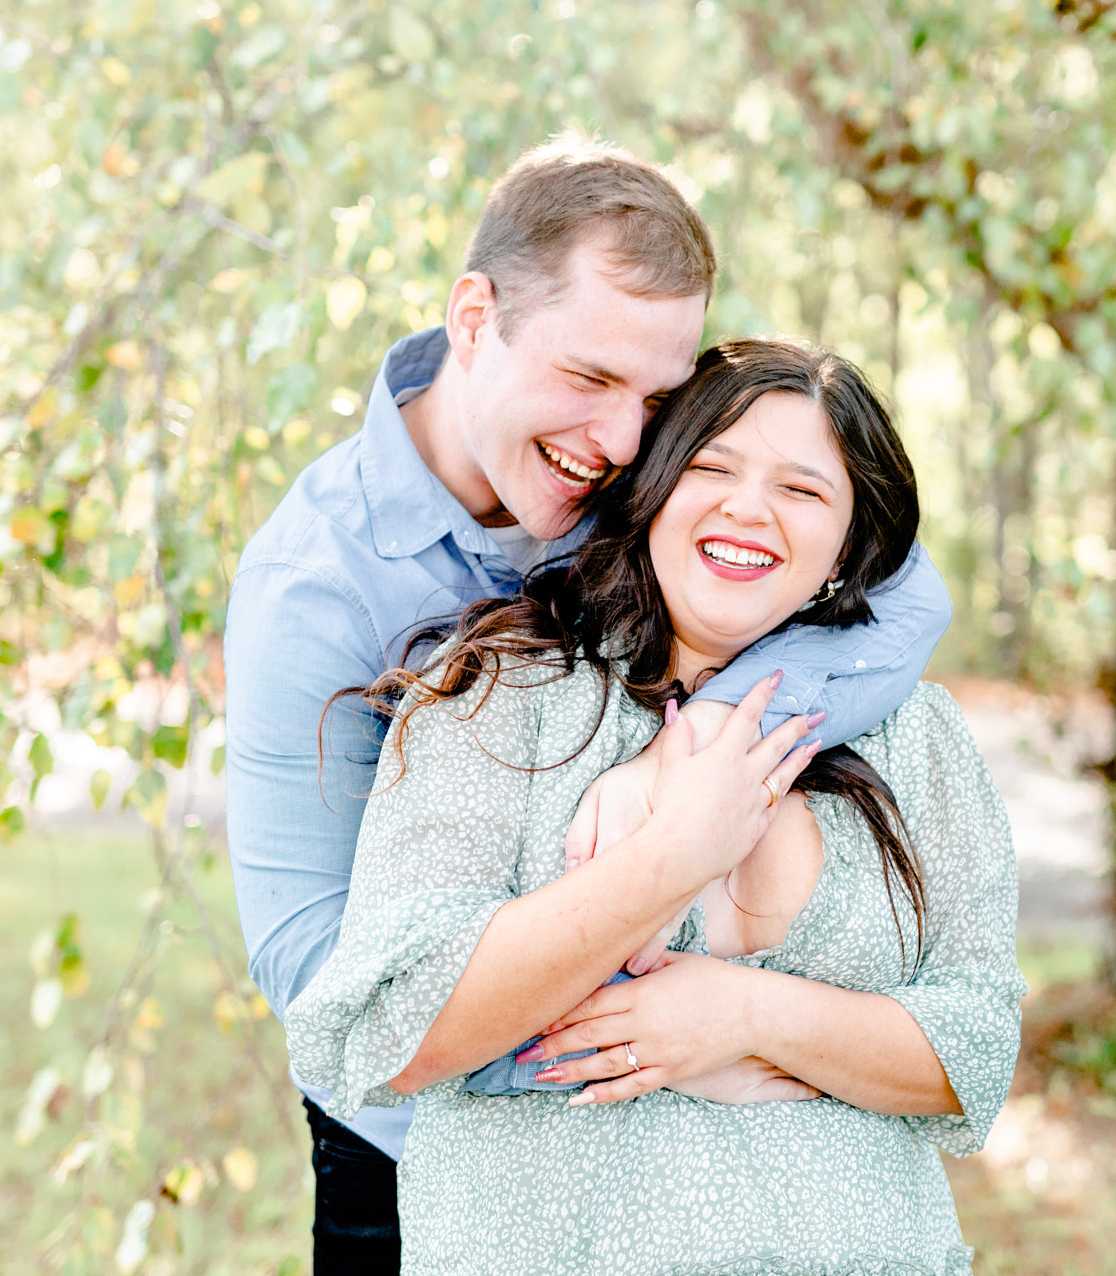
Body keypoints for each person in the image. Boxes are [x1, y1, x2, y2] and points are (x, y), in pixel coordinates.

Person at [223, 136, 953, 1269]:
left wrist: (707, 741)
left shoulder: (649, 471)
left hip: (689, 1179)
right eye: (588, 379)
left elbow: (904, 592)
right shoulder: (315, 591)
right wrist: (648, 1031)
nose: (622, 441)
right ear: (475, 317)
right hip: (415, 1167)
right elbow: (322, 977)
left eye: (659, 396)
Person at [288, 340, 1024, 1275]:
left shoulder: (917, 736)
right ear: (652, 490)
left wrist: (747, 1015)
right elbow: (395, 1029)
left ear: (848, 548)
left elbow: (977, 1050)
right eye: (712, 467)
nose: (748, 508)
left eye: (803, 491)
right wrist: (676, 853)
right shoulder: (497, 697)